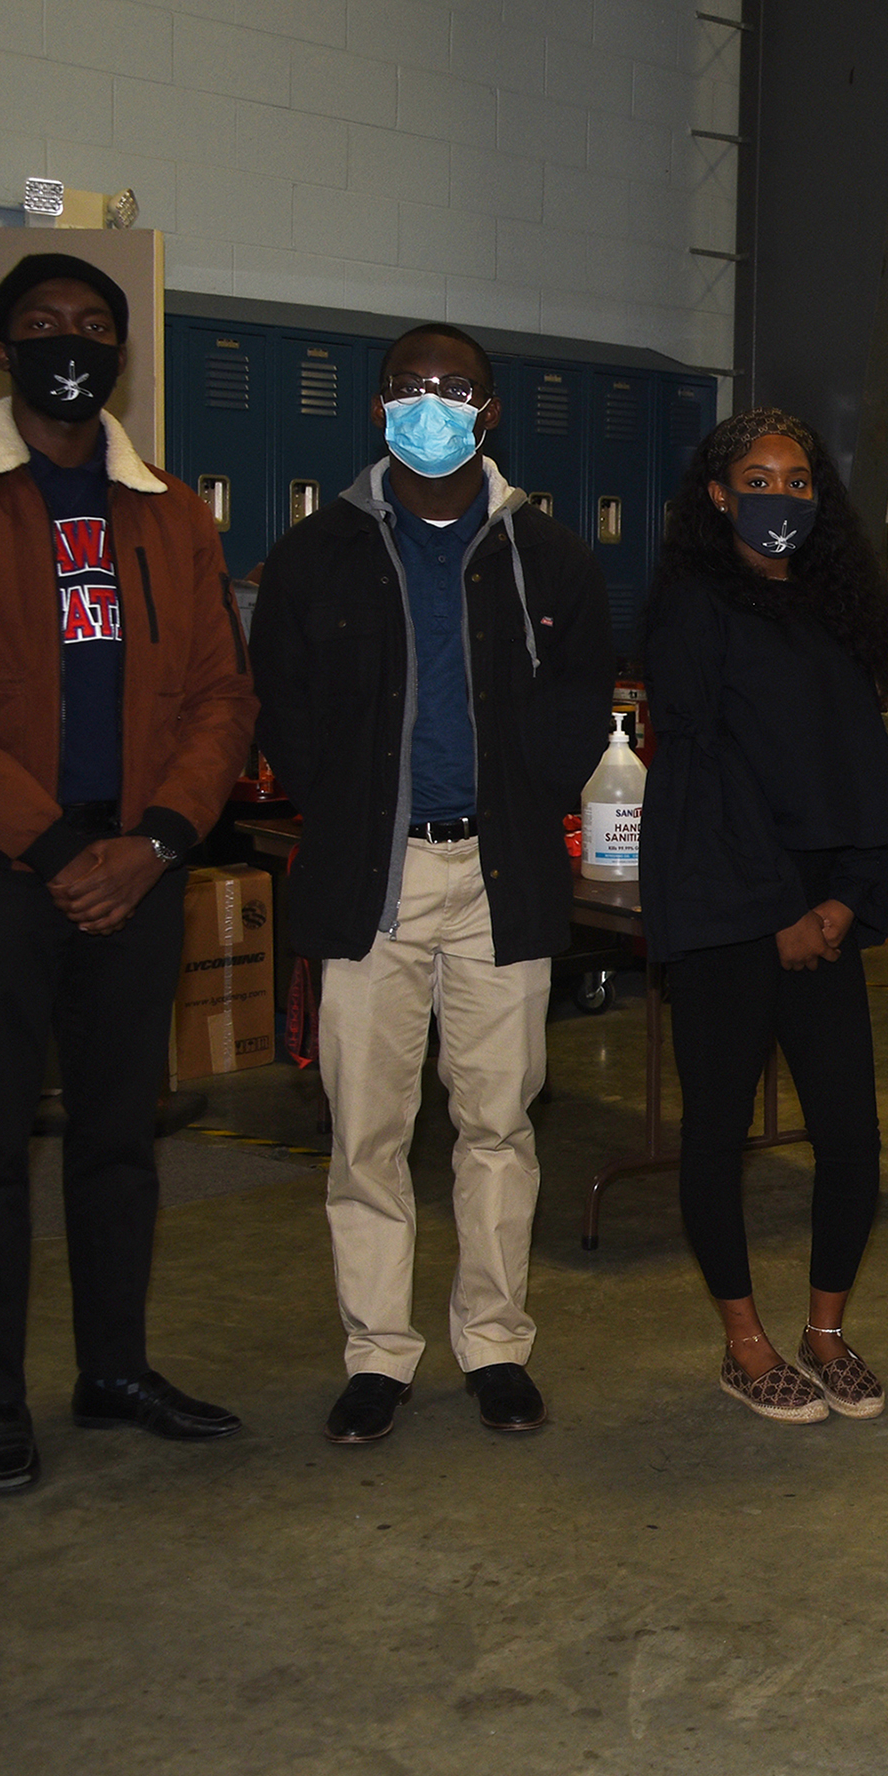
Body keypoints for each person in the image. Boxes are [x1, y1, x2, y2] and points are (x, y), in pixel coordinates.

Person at [0, 253, 258, 1494]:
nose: (68, 342)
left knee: (118, 1139)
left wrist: (152, 842)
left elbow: (217, 695)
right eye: (41, 325)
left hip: (136, 862)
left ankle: (114, 1370)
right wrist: (52, 848)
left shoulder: (167, 511)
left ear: (122, 352)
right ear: (0, 350)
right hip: (0, 868)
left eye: (94, 325)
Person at [251, 322, 614, 1445]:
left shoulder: (547, 554)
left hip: (498, 875)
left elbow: (578, 707)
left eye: (456, 388)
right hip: (375, 875)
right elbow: (287, 709)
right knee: (368, 1131)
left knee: (497, 1125)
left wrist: (517, 801)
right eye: (412, 386)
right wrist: (358, 809)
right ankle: (378, 1353)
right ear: (378, 408)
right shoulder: (317, 553)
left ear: (489, 413)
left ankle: (495, 1343)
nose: (434, 403)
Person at [640, 410, 888, 1426]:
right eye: (759, 477)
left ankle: (826, 1329)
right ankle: (744, 1340)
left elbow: (861, 775)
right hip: (729, 904)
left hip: (827, 907)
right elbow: (704, 772)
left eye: (799, 480)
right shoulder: (693, 606)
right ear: (718, 494)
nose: (781, 497)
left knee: (853, 1134)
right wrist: (781, 911)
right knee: (717, 1133)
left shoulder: (838, 612)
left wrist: (846, 897)